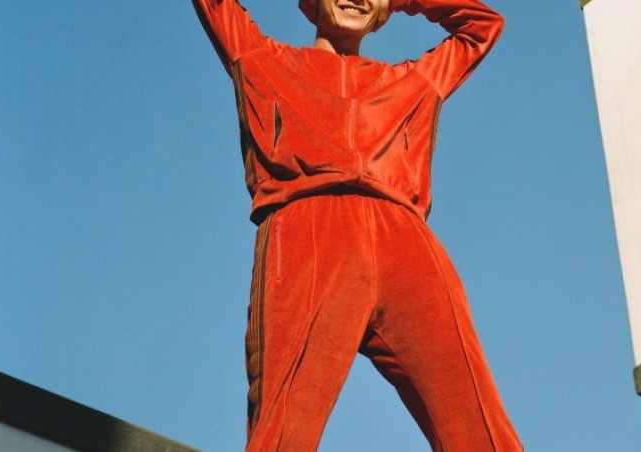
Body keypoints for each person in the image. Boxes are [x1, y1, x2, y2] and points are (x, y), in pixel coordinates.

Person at [192, 0, 523, 450]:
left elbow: (482, 26)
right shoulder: (262, 59)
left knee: (479, 428)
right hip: (310, 236)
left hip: (408, 248)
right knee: (285, 430)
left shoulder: (414, 81)